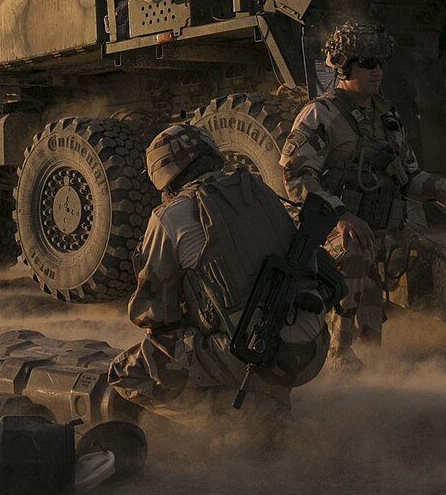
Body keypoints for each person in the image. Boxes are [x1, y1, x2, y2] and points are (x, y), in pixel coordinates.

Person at [279, 22, 446, 368]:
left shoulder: (387, 116)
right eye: (367, 62)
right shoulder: (323, 114)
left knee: (444, 259)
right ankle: (338, 354)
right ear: (344, 65)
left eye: (380, 62)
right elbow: (295, 175)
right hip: (331, 233)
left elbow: (410, 178)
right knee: (355, 253)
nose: (377, 70)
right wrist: (341, 216)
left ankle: (394, 359)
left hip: (383, 229)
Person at [108, 122, 330, 423]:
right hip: (313, 347)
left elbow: (150, 313)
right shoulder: (259, 190)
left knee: (126, 373)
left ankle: (238, 418)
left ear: (164, 176)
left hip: (254, 353)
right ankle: (269, 393)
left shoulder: (170, 216)